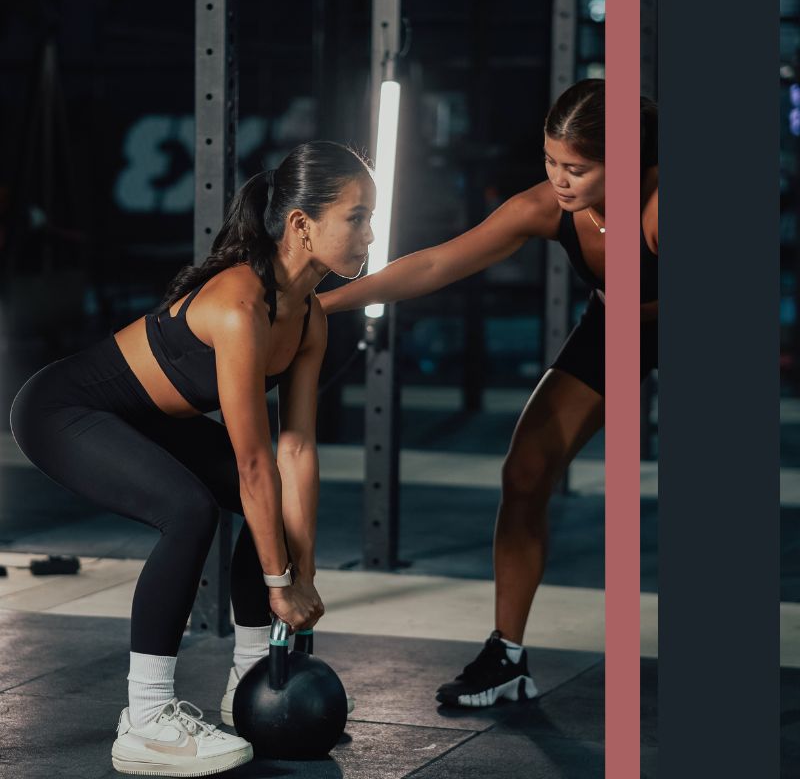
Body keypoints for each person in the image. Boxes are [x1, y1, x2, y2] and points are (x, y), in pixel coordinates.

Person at [9, 141, 375, 775]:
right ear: (301, 225)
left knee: (265, 512)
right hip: (61, 411)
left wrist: (303, 573)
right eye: (358, 217)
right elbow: (257, 461)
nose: (371, 233)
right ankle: (146, 719)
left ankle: (253, 684)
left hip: (144, 418)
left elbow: (298, 450)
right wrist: (279, 583)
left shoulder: (311, 318)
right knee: (190, 510)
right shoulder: (239, 307)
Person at [318, 79, 658, 708]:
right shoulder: (545, 208)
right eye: (551, 160)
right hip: (616, 327)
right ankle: (507, 656)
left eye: (576, 168)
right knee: (526, 470)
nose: (559, 179)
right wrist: (321, 304)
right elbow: (436, 264)